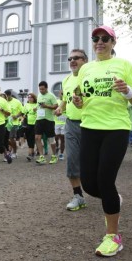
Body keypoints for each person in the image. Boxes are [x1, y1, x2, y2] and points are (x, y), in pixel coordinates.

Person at [72, 26, 132, 257]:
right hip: (89, 128)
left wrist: (128, 91)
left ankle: (113, 236)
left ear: (113, 42)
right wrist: (78, 101)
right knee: (90, 185)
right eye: (95, 38)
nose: (99, 42)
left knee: (105, 180)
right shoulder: (86, 69)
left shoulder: (124, 65)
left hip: (116, 128)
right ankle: (113, 200)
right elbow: (82, 98)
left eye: (104, 38)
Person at [56, 49, 88, 211]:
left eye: (77, 58)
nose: (72, 61)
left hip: (91, 124)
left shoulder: (90, 78)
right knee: (72, 160)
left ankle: (107, 193)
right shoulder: (66, 80)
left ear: (85, 60)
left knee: (92, 163)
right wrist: (60, 108)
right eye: (70, 58)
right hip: (71, 124)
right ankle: (78, 196)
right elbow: (64, 99)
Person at [34, 81, 58, 165]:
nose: (41, 90)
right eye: (40, 89)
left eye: (42, 89)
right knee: (37, 137)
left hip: (49, 120)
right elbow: (39, 105)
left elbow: (56, 106)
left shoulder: (51, 96)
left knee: (51, 139)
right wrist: (35, 108)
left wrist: (47, 106)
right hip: (39, 119)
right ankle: (41, 157)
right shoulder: (39, 95)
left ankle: (54, 155)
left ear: (46, 88)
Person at [4, 89, 23, 158]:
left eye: (7, 97)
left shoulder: (17, 102)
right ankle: (13, 147)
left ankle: (14, 152)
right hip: (5, 122)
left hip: (14, 123)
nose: (6, 98)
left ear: (10, 95)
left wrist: (17, 116)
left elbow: (22, 110)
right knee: (5, 139)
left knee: (11, 138)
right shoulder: (4, 102)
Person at [22, 93, 38, 161]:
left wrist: (36, 110)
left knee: (32, 138)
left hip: (36, 123)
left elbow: (40, 113)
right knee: (28, 138)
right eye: (28, 97)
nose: (29, 98)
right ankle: (32, 152)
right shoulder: (26, 105)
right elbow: (23, 113)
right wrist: (24, 116)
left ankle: (30, 154)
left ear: (34, 98)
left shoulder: (37, 105)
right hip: (28, 124)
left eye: (31, 97)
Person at [53, 90, 67, 160]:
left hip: (64, 123)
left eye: (63, 94)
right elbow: (53, 112)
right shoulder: (57, 102)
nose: (61, 95)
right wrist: (56, 113)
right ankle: (57, 147)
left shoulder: (67, 102)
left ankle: (61, 154)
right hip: (57, 123)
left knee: (62, 139)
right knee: (55, 138)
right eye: (61, 94)